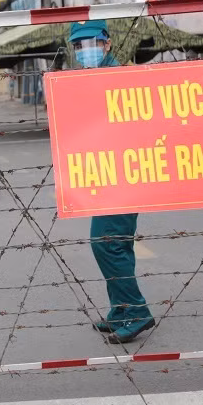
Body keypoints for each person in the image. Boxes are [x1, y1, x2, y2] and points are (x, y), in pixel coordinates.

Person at [69, 20, 155, 344]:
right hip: (105, 172)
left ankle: (137, 310)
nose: (85, 51)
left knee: (106, 243)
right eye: (78, 46)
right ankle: (121, 309)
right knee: (117, 243)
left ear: (107, 44)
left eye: (91, 43)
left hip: (123, 173)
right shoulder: (90, 80)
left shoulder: (117, 79)